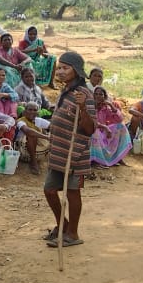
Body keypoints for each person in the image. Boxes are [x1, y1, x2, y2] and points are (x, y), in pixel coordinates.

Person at [41, 52, 96, 248]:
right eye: (60, 67)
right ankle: (62, 225)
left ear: (76, 71)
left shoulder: (84, 94)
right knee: (49, 190)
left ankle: (73, 233)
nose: (61, 71)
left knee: (72, 193)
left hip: (75, 153)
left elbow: (90, 129)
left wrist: (82, 108)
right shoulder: (65, 90)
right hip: (58, 151)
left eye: (66, 68)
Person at [89, 87, 131, 168]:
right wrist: (105, 127)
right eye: (96, 94)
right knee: (95, 132)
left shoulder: (105, 108)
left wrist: (111, 105)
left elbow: (119, 119)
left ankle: (118, 157)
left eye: (100, 94)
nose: (98, 96)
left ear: (104, 97)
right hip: (92, 132)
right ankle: (96, 160)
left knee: (121, 126)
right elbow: (91, 122)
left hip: (103, 133)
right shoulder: (89, 106)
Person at [15, 102, 52, 175]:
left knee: (54, 133)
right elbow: (27, 131)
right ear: (25, 111)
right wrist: (46, 137)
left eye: (35, 110)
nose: (32, 112)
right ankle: (33, 162)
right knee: (32, 135)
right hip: (23, 151)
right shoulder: (20, 121)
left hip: (38, 150)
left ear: (38, 112)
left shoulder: (38, 120)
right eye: (30, 109)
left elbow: (53, 127)